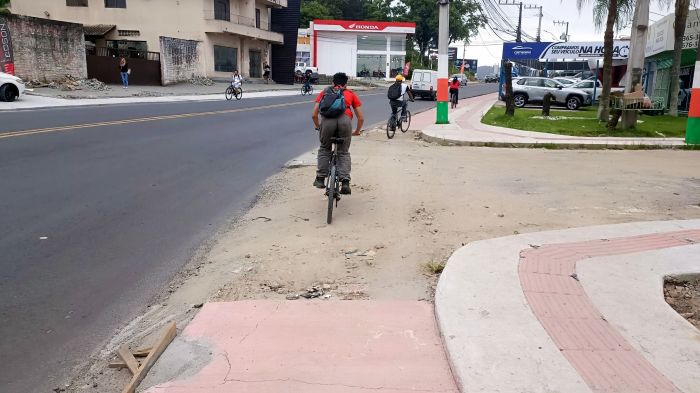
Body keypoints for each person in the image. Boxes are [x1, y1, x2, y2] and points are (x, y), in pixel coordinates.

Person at [311, 72, 364, 195]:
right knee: (343, 152)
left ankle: (320, 178)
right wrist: (357, 131)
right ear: (346, 84)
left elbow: (314, 114)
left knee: (325, 148)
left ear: (332, 83)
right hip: (345, 122)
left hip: (327, 123)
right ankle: (345, 181)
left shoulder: (325, 92)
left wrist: (319, 127)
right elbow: (361, 117)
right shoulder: (350, 94)